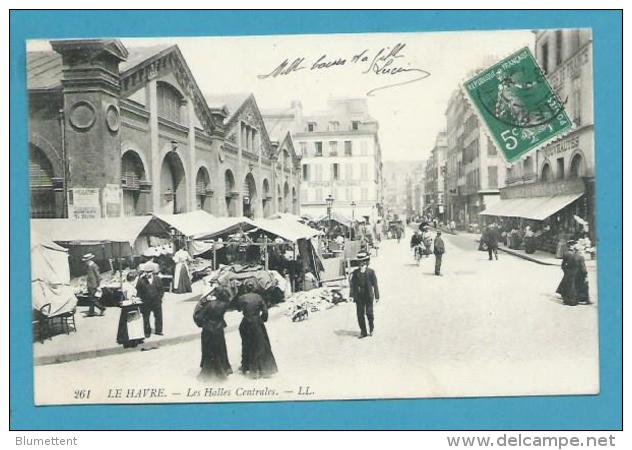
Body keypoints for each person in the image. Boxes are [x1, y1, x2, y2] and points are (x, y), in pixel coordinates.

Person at [236, 281, 278, 378]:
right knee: (261, 345)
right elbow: (265, 311)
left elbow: (238, 308)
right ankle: (264, 368)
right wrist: (262, 319)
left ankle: (247, 367)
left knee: (246, 344)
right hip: (257, 322)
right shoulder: (258, 297)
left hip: (246, 322)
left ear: (246, 288)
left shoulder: (242, 297)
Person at [194, 287, 233, 381]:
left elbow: (199, 316)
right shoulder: (225, 304)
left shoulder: (210, 305)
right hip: (219, 329)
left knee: (208, 350)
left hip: (208, 329)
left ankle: (208, 371)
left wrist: (204, 302)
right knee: (221, 349)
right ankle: (224, 368)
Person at [349, 252, 380, 338]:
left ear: (367, 262)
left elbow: (375, 284)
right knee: (360, 314)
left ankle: (371, 328)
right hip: (359, 297)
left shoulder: (371, 272)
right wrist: (351, 295)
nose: (361, 263)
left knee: (369, 313)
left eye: (363, 261)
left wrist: (377, 296)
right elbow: (352, 285)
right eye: (360, 262)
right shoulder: (355, 273)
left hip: (368, 295)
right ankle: (363, 331)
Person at [136, 262, 165, 337]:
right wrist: (140, 300)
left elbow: (161, 290)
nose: (148, 273)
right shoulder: (141, 280)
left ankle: (159, 330)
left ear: (152, 272)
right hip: (146, 302)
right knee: (146, 317)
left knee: (158, 316)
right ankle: (147, 332)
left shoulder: (157, 279)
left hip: (156, 301)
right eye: (146, 272)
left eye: (149, 272)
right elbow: (138, 291)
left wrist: (159, 298)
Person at [556, 241, 580, 306]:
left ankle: (567, 298)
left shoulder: (568, 253)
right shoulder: (574, 253)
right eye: (573, 245)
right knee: (571, 285)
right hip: (573, 271)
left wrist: (565, 271)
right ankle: (571, 300)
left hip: (570, 271)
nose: (574, 246)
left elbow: (563, 265)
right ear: (571, 246)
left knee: (568, 285)